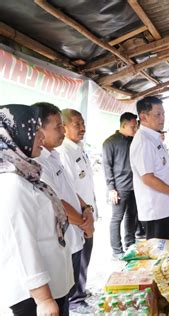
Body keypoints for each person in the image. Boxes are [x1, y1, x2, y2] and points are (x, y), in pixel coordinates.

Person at [0, 104, 74, 316]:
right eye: (35, 130)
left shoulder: (25, 174)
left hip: (52, 285)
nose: (42, 137)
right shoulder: (11, 183)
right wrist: (44, 299)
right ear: (14, 135)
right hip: (34, 297)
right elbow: (20, 243)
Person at [33, 103, 94, 313]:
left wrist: (86, 208)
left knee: (67, 293)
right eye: (58, 127)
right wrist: (85, 223)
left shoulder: (54, 155)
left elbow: (69, 190)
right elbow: (56, 202)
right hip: (64, 239)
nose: (62, 131)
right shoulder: (37, 163)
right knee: (61, 300)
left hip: (75, 234)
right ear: (40, 130)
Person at [130, 96, 169, 241]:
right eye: (158, 114)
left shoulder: (153, 138)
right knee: (161, 257)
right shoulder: (143, 141)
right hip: (156, 211)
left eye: (163, 114)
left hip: (165, 207)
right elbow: (148, 178)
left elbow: (159, 172)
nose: (162, 118)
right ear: (143, 117)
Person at [56, 109, 97, 313]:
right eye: (76, 124)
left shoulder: (78, 148)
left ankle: (79, 292)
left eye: (82, 123)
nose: (82, 128)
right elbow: (67, 192)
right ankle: (76, 300)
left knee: (85, 257)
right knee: (78, 259)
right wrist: (83, 220)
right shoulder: (64, 152)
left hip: (85, 213)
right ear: (64, 127)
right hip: (77, 218)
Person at [102, 112, 139, 259]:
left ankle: (130, 245)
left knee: (132, 216)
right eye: (132, 127)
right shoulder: (110, 142)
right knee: (117, 218)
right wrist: (111, 189)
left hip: (135, 185)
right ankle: (116, 251)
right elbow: (106, 166)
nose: (135, 129)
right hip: (119, 187)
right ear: (123, 125)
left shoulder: (134, 141)